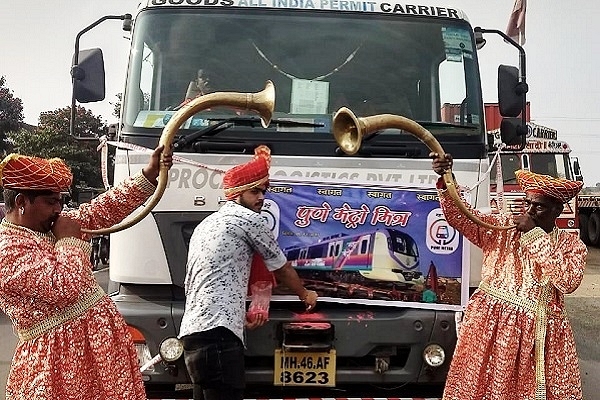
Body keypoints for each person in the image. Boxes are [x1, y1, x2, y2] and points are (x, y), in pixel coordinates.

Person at [0, 145, 173, 400]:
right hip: (59, 364)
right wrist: (69, 241)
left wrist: (148, 173)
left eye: (60, 201)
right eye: (51, 202)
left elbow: (104, 209)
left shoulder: (48, 227)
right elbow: (64, 286)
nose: (59, 209)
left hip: (97, 355)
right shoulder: (7, 249)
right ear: (21, 202)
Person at [430, 152, 586, 400]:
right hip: (492, 328)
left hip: (539, 340)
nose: (531, 211)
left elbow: (567, 281)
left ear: (557, 209)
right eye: (529, 203)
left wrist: (534, 236)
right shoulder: (503, 229)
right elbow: (462, 216)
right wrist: (446, 177)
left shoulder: (571, 245)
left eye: (540, 206)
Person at [179, 145, 318, 400]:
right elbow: (282, 268)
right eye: (254, 191)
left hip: (193, 333)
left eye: (263, 191)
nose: (262, 198)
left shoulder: (206, 224)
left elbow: (200, 281)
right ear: (235, 195)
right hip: (218, 336)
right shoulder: (249, 220)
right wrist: (304, 293)